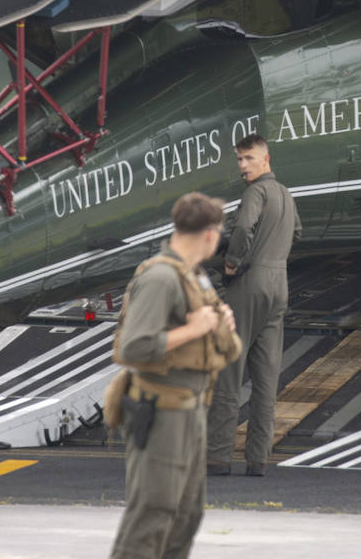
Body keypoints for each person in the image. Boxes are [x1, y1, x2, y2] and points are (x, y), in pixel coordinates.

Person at [109, 192, 240, 559]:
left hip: (191, 411)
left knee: (185, 514)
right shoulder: (161, 278)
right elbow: (133, 347)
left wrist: (220, 328)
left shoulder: (194, 277)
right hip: (161, 410)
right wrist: (195, 329)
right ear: (211, 235)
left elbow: (230, 350)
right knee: (152, 511)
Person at [206, 133, 301, 477]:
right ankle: (257, 460)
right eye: (240, 160)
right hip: (280, 284)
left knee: (229, 372)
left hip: (249, 283)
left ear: (265, 159)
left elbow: (245, 226)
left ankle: (218, 456)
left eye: (248, 159)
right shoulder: (287, 195)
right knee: (266, 378)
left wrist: (231, 260)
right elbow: (298, 233)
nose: (242, 166)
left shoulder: (255, 192)